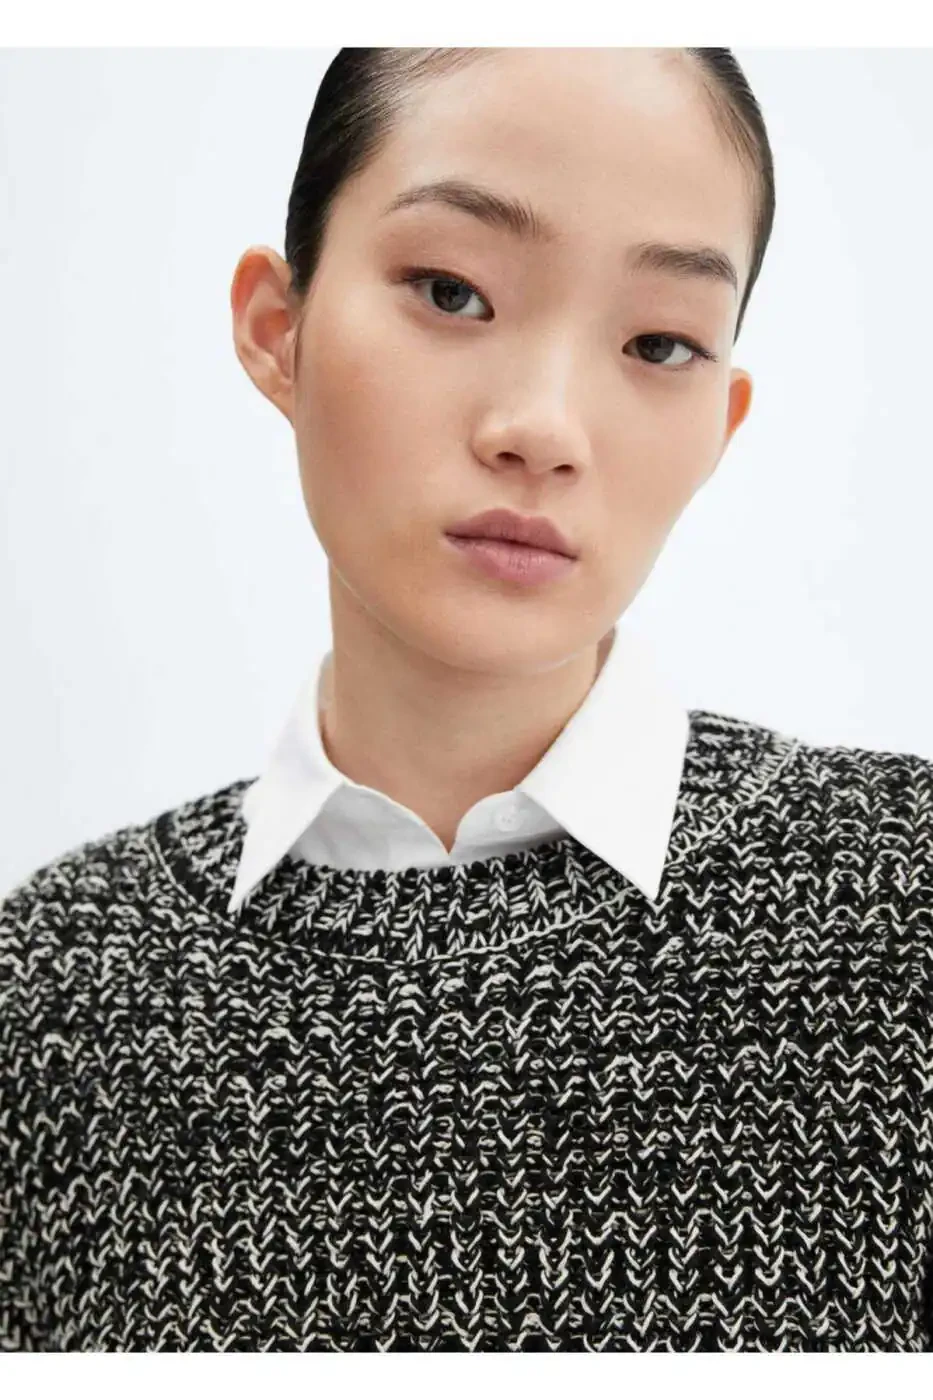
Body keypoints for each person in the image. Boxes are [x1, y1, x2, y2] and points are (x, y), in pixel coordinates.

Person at [3, 46, 933, 1354]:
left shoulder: (903, 904)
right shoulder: (51, 993)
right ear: (278, 329)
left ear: (721, 425)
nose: (543, 427)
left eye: (659, 342)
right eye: (453, 291)